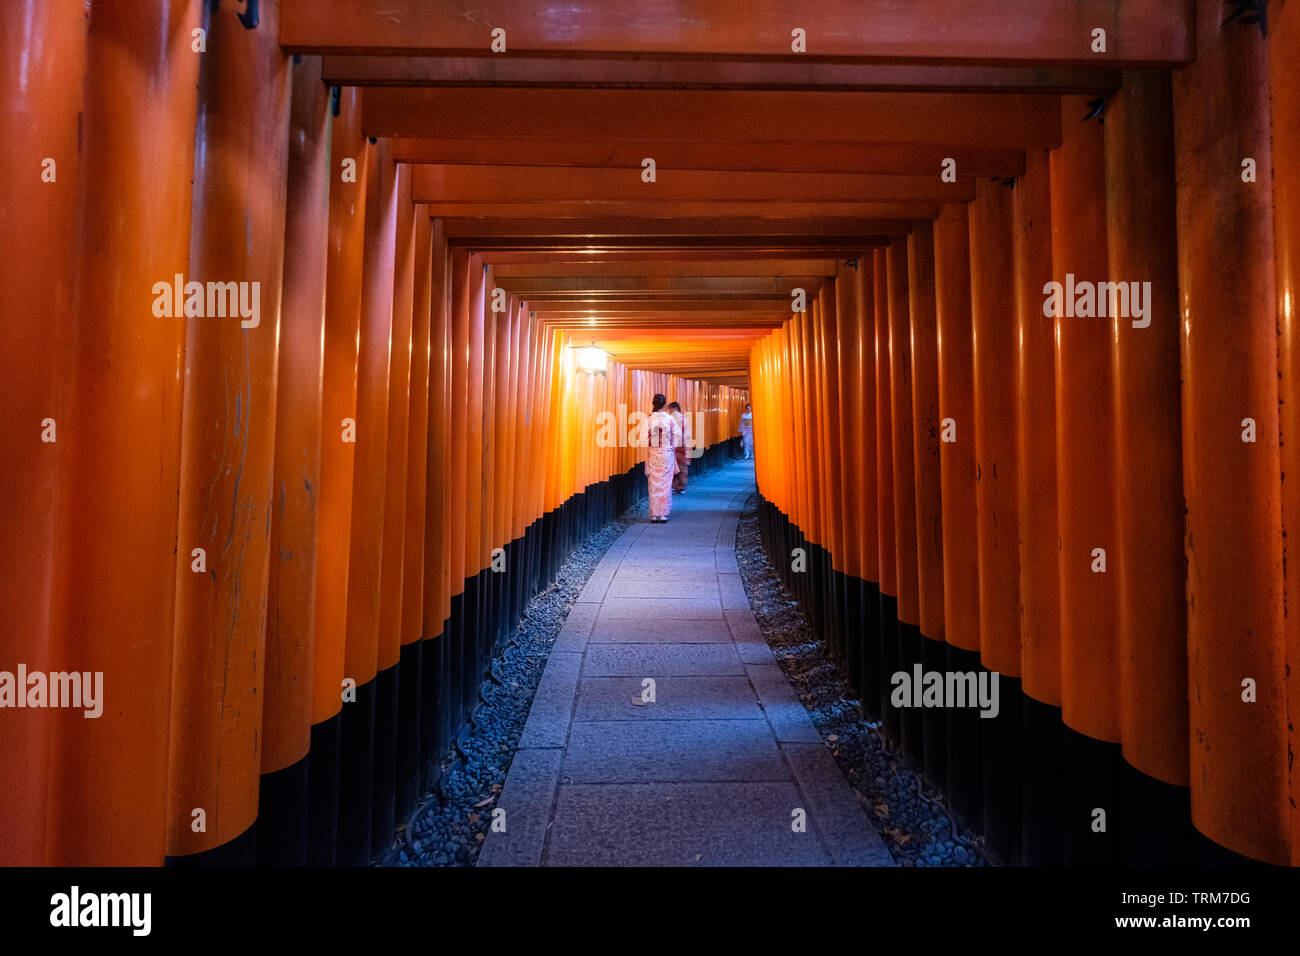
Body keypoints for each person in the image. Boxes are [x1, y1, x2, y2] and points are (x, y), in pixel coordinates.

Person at [642, 393, 679, 523]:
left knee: (653, 484)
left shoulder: (649, 419)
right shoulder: (669, 419)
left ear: (654, 404)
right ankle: (663, 514)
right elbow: (677, 435)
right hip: (666, 454)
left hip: (653, 453)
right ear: (664, 404)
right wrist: (671, 444)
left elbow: (642, 437)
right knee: (665, 484)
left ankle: (654, 514)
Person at [668, 401, 690, 494]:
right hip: (682, 446)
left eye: (670, 409)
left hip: (672, 446)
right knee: (682, 468)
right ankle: (681, 487)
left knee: (671, 467)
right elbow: (687, 435)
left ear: (673, 408)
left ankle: (674, 486)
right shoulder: (684, 419)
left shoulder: (670, 418)